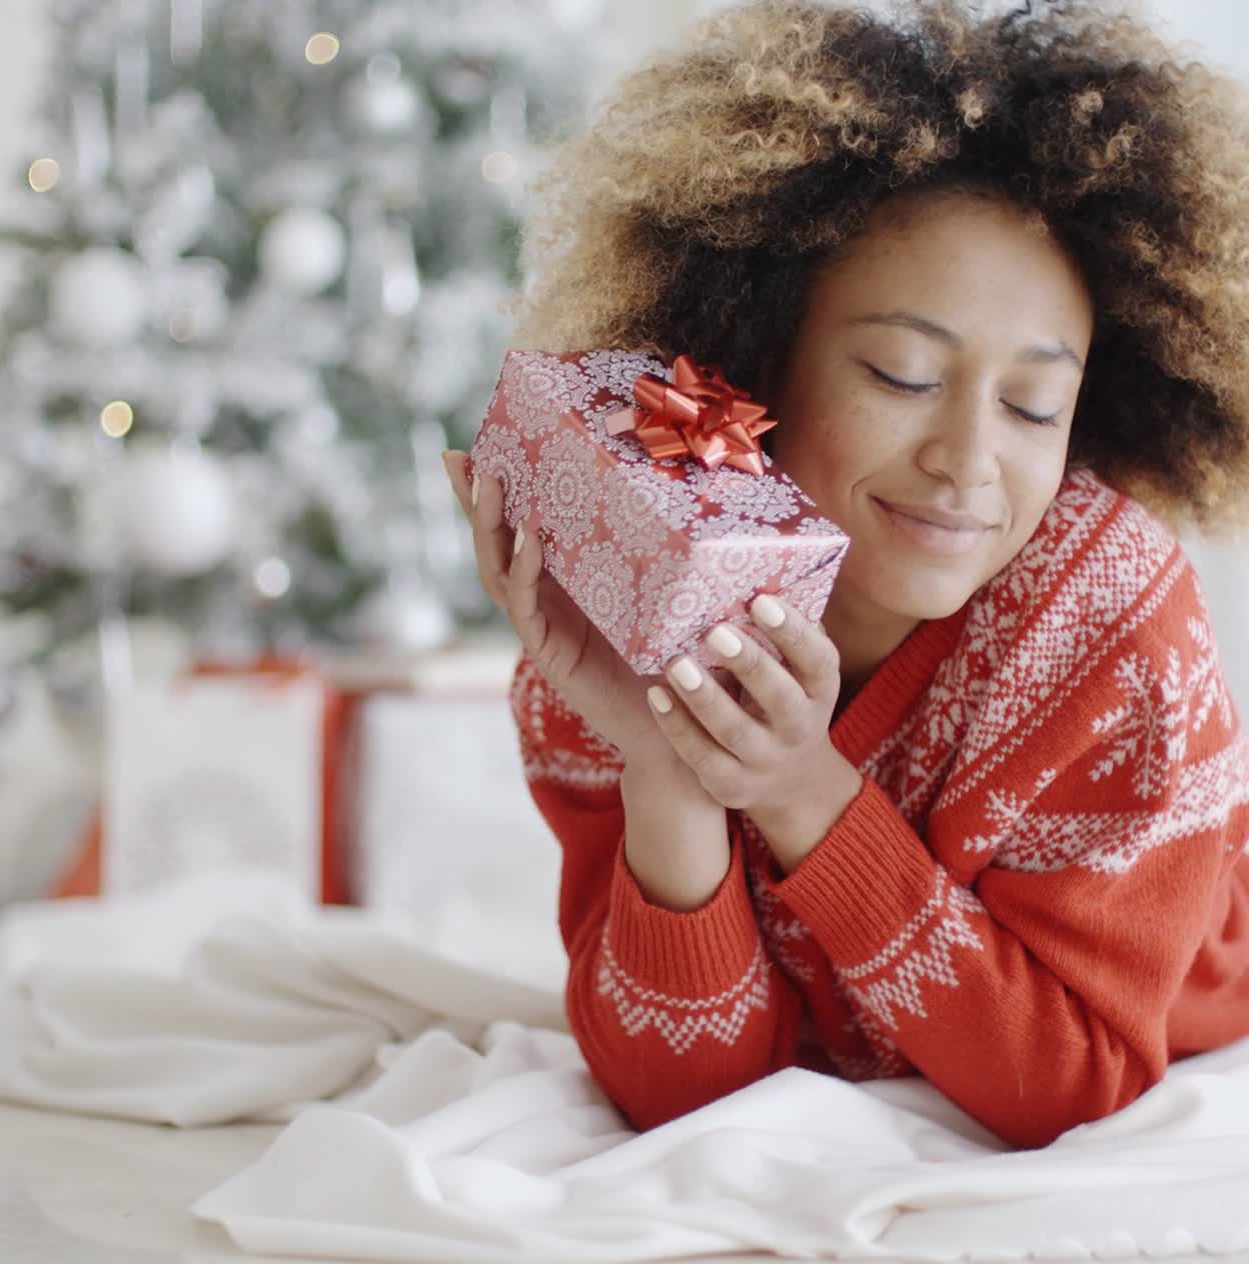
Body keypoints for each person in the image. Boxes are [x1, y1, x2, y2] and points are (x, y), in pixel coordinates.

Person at [442, 0, 1249, 1150]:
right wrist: (665, 769)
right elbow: (683, 1104)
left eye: (1031, 404)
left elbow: (1073, 1078)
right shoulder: (617, 607)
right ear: (756, 353)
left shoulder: (1111, 626)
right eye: (901, 373)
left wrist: (796, 788)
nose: (967, 460)